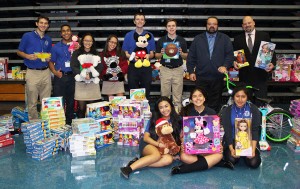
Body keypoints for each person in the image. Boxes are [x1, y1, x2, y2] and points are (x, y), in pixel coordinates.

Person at [171, 87, 234, 174]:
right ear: (191, 99)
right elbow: (183, 132)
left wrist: (219, 144)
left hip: (207, 147)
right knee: (184, 157)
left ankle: (183, 169)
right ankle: (215, 163)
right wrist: (183, 143)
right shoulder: (186, 111)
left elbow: (216, 132)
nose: (198, 98)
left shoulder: (211, 112)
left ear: (204, 98)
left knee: (219, 154)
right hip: (192, 147)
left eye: (200, 96)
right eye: (194, 96)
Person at [120, 96, 181, 179]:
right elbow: (146, 138)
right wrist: (158, 144)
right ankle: (128, 169)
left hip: (163, 149)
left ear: (171, 106)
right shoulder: (154, 119)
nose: (164, 109)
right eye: (161, 107)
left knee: (168, 160)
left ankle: (138, 162)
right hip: (149, 143)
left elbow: (180, 137)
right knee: (156, 156)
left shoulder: (178, 120)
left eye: (166, 106)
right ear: (158, 109)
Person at [187, 16, 234, 112]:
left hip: (217, 77)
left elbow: (230, 56)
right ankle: (199, 123)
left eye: (214, 24)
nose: (212, 26)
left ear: (217, 26)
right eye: (209, 24)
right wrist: (191, 71)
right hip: (201, 77)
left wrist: (225, 66)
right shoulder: (198, 39)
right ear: (206, 25)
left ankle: (213, 123)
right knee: (200, 101)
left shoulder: (225, 39)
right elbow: (191, 56)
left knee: (215, 103)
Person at [17, 16, 52, 120]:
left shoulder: (48, 39)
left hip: (46, 72)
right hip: (32, 72)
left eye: (45, 23)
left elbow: (49, 54)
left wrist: (48, 58)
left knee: (46, 101)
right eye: (41, 23)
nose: (43, 25)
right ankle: (34, 124)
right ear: (37, 24)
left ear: (48, 26)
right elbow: (19, 51)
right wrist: (27, 56)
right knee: (32, 101)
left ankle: (45, 123)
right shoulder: (27, 36)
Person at [233, 16, 275, 102]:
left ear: (254, 23)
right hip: (244, 78)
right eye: (245, 24)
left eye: (249, 23)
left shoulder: (264, 36)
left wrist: (272, 63)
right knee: (245, 104)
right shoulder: (237, 39)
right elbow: (235, 56)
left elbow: (272, 54)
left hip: (260, 76)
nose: (247, 25)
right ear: (242, 26)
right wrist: (234, 62)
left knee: (261, 104)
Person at [221, 84, 262, 168]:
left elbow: (255, 130)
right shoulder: (227, 110)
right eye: (237, 96)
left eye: (243, 96)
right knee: (231, 160)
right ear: (233, 97)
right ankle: (234, 153)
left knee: (254, 163)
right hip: (232, 140)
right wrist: (232, 149)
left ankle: (246, 154)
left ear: (247, 97)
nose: (240, 99)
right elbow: (227, 131)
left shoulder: (253, 109)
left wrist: (253, 150)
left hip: (249, 141)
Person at [155, 18, 188, 112]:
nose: (171, 28)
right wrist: (161, 53)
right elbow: (156, 55)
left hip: (178, 69)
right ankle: (164, 116)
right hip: (165, 69)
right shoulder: (161, 40)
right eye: (169, 26)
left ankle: (177, 116)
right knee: (164, 95)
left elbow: (186, 56)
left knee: (177, 96)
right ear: (166, 28)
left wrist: (182, 53)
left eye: (173, 26)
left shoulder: (181, 40)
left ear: (176, 27)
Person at [49, 24, 79, 125]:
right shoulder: (56, 47)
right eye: (63, 31)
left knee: (71, 101)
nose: (66, 32)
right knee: (59, 101)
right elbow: (50, 61)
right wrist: (54, 72)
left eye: (68, 30)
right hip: (60, 77)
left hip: (72, 76)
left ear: (71, 32)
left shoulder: (76, 46)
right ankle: (59, 123)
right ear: (61, 33)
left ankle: (69, 122)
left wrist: (79, 48)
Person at [122, 12, 155, 100]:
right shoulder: (128, 35)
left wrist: (148, 55)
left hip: (146, 66)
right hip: (133, 66)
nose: (140, 21)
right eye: (137, 19)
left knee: (146, 91)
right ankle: (135, 111)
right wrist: (133, 58)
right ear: (134, 21)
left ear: (144, 22)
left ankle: (145, 111)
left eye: (142, 19)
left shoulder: (150, 35)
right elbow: (125, 53)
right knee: (133, 91)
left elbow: (152, 53)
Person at [70, 33, 103, 118]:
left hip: (92, 83)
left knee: (92, 108)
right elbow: (73, 66)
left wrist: (90, 75)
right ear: (82, 41)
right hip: (81, 83)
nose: (88, 42)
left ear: (92, 42)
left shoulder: (96, 53)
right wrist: (83, 75)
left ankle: (92, 128)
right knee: (81, 108)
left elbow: (100, 67)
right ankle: (82, 128)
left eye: (90, 41)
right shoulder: (76, 53)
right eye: (86, 40)